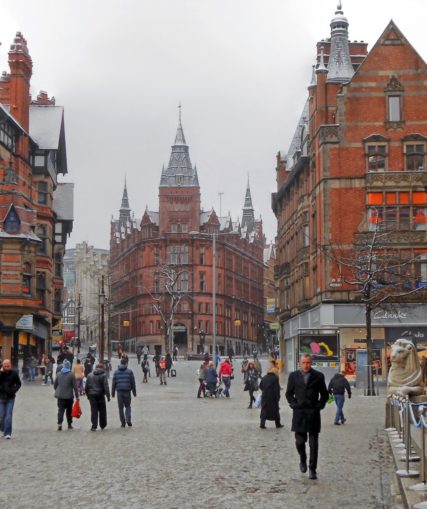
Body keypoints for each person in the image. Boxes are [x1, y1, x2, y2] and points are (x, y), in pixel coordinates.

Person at [285, 354, 329, 480]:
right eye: (303, 363)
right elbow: (288, 393)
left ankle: (312, 469)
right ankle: (302, 459)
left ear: (311, 363)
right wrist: (294, 404)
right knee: (299, 442)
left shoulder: (319, 376)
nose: (306, 365)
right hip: (299, 414)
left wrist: (319, 406)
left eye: (308, 363)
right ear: (300, 363)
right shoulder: (293, 376)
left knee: (314, 444)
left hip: (313, 414)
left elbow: (325, 395)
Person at [54, 359, 79, 431]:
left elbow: (55, 385)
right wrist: (77, 396)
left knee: (60, 410)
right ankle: (69, 424)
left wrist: (58, 390)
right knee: (69, 411)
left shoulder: (58, 374)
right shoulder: (71, 375)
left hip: (60, 396)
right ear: (69, 367)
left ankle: (59, 424)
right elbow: (75, 387)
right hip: (69, 397)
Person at [0, 359, 22, 439]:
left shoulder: (14, 373)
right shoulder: (1, 373)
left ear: (10, 365)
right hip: (1, 397)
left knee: (8, 415)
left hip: (10, 397)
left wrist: (14, 390)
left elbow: (19, 383)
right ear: (3, 366)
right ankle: (2, 429)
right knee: (2, 416)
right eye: (5, 366)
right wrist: (2, 373)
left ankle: (7, 433)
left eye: (8, 366)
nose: (6, 367)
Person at [112, 358, 136, 427]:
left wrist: (113, 393)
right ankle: (128, 419)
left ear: (120, 363)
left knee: (120, 407)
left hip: (119, 392)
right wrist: (134, 392)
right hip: (127, 391)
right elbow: (133, 383)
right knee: (128, 406)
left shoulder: (116, 372)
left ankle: (123, 422)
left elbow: (114, 383)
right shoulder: (130, 371)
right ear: (126, 363)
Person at [85, 363, 111, 431]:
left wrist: (88, 395)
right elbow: (106, 386)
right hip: (100, 394)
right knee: (102, 410)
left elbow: (86, 387)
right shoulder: (103, 375)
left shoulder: (89, 375)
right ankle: (102, 424)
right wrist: (108, 396)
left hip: (92, 395)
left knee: (94, 410)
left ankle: (94, 425)